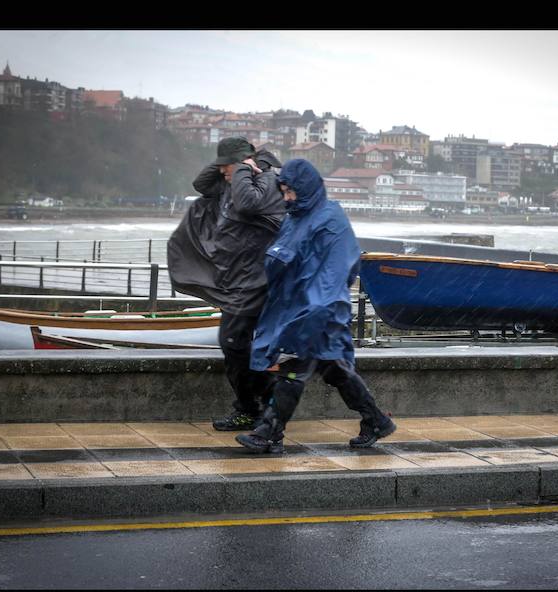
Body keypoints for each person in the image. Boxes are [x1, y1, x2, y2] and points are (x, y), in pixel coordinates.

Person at [235, 158, 396, 454]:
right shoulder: (297, 216)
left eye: (290, 191)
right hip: (304, 309)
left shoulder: (330, 220)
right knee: (335, 369)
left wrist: (311, 316)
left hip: (319, 312)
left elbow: (334, 273)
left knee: (294, 370)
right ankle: (375, 419)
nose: (286, 198)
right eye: (283, 191)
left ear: (305, 188)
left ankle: (270, 431)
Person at [167, 137, 287, 431]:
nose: (221, 172)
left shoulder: (265, 183)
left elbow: (248, 205)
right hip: (238, 279)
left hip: (255, 280)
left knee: (233, 341)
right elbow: (200, 182)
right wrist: (235, 163)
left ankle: (261, 403)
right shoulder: (231, 182)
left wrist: (251, 165)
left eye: (226, 166)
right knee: (238, 343)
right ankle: (260, 405)